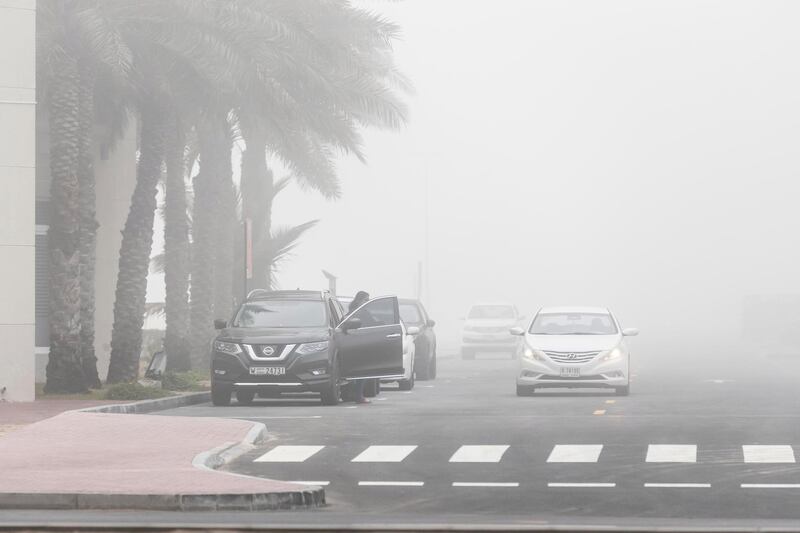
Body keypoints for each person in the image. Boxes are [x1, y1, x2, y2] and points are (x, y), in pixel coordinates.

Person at [348, 291, 372, 404]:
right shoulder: (356, 312)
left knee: (361, 373)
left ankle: (356, 394)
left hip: (360, 344)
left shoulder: (362, 312)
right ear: (359, 300)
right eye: (365, 300)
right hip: (356, 344)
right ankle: (358, 396)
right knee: (361, 372)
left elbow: (373, 323)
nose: (367, 302)